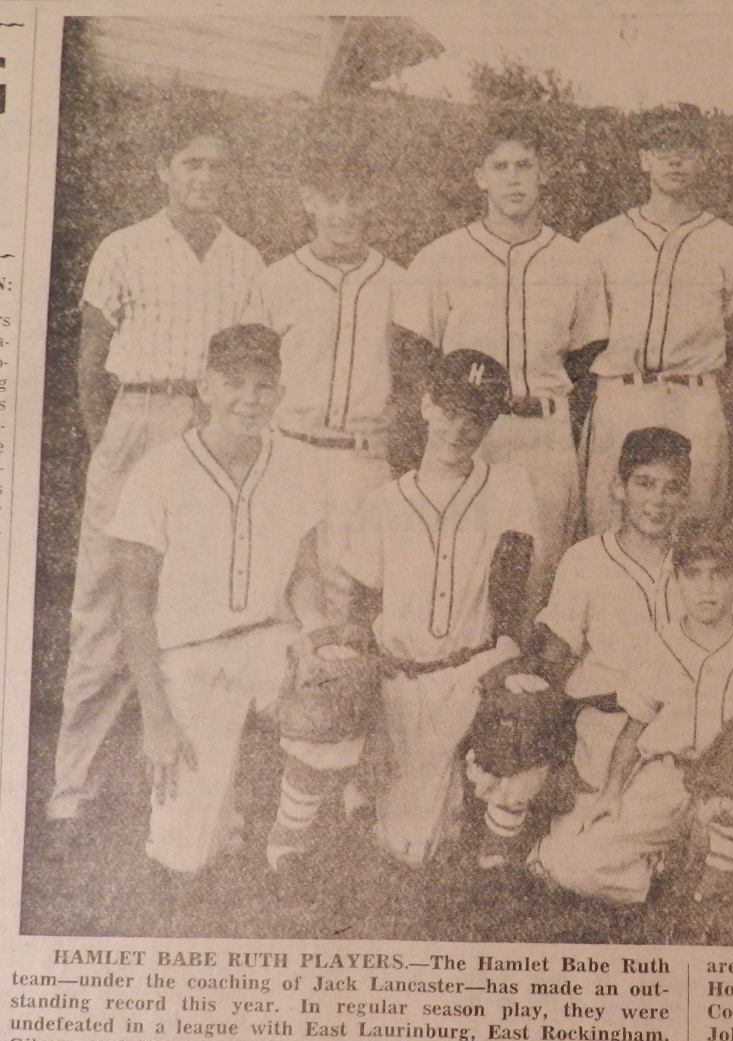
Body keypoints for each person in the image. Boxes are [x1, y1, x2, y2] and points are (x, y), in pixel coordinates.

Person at [49, 125, 265, 824]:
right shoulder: (124, 246)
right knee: (106, 603)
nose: (204, 177)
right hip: (136, 417)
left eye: (216, 166)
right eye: (190, 164)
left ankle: (202, 790)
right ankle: (71, 784)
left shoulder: (246, 259)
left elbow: (252, 367)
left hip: (209, 429)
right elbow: (91, 358)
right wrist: (105, 442)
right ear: (162, 170)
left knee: (200, 605)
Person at [104, 325, 326, 874]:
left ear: (280, 391)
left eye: (264, 385)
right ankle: (213, 815)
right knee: (186, 860)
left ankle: (287, 837)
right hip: (190, 658)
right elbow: (133, 610)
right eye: (234, 383)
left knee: (339, 694)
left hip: (268, 642)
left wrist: (317, 636)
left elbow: (306, 573)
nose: (250, 399)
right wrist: (156, 718)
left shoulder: (296, 465)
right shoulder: (157, 472)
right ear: (205, 386)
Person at [391, 113, 607, 602]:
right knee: (467, 568)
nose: (514, 178)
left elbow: (587, 358)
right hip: (470, 433)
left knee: (541, 571)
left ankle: (527, 674)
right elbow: (415, 355)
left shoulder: (576, 261)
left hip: (545, 433)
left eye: (525, 165)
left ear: (543, 173)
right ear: (480, 177)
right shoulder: (441, 257)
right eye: (501, 166)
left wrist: (556, 415)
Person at [529, 519, 733, 904]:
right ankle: (661, 873)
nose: (706, 588)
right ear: (677, 581)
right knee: (569, 864)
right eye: (693, 575)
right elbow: (633, 729)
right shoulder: (660, 647)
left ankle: (713, 876)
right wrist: (611, 793)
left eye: (719, 575)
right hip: (669, 778)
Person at [340, 350, 540, 868]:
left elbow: (513, 590)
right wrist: (371, 710)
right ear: (426, 405)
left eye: (476, 417)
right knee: (401, 848)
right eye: (450, 411)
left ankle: (485, 836)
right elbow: (362, 605)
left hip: (469, 671)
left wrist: (507, 660)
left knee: (520, 715)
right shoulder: (383, 500)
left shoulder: (511, 486)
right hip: (398, 676)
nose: (460, 428)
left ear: (491, 422)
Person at [579, 104, 733, 532]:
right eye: (662, 147)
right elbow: (581, 344)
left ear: (703, 158)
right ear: (643, 158)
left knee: (693, 528)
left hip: (694, 399)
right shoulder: (601, 241)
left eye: (687, 147)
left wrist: (716, 403)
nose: (675, 159)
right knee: (608, 525)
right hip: (621, 395)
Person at [241, 154, 402, 620]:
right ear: (308, 200)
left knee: (351, 589)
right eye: (332, 200)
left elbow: (413, 378)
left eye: (355, 199)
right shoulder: (275, 280)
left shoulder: (397, 281)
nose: (344, 213)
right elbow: (252, 372)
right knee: (279, 580)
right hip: (289, 447)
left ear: (372, 200)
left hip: (361, 455)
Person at [531, 426, 692, 793]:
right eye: (644, 484)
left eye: (672, 487)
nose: (658, 499)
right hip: (606, 728)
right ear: (619, 488)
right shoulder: (585, 559)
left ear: (687, 495)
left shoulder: (697, 562)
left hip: (682, 731)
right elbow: (553, 658)